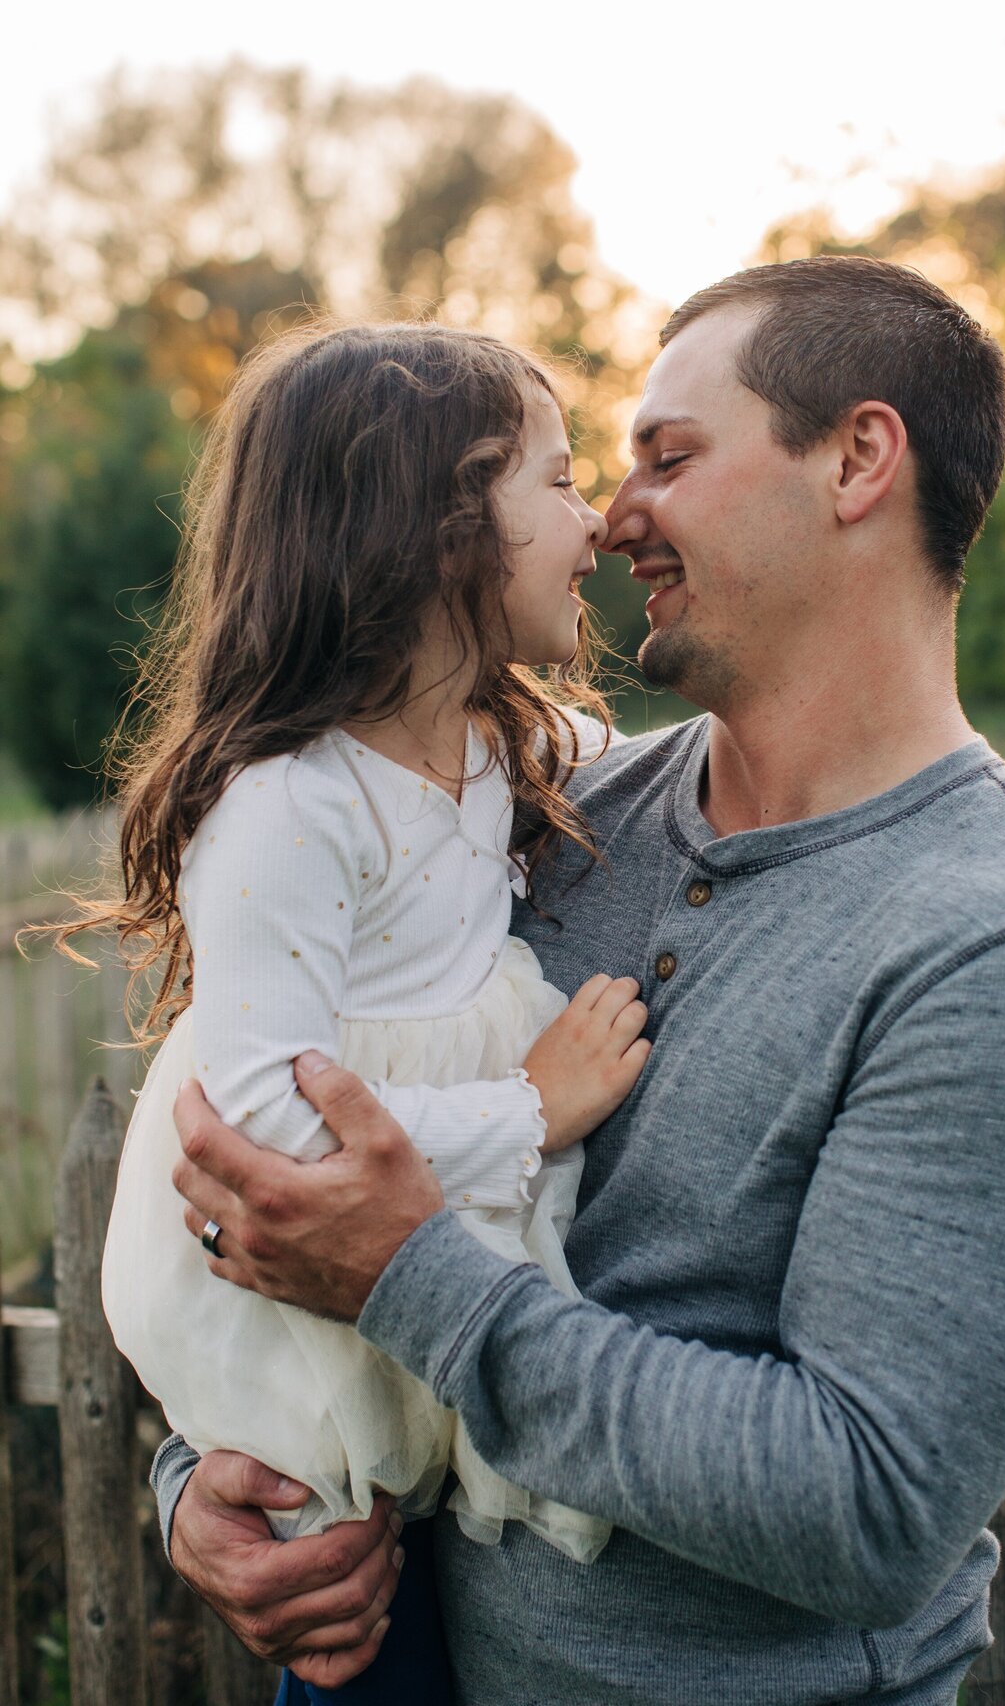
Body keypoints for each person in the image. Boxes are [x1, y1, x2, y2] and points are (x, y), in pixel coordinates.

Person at [156, 258, 1005, 1706]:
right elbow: (274, 1151)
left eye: (668, 458)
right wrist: (207, 1484)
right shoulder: (540, 821)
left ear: (859, 461)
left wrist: (408, 1278)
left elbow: (868, 1506)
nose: (615, 513)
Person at [68, 321, 654, 1696]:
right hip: (316, 1274)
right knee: (348, 1602)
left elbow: (701, 758)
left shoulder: (507, 740)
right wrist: (526, 1110)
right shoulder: (287, 802)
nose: (602, 521)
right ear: (443, 527)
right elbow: (273, 1112)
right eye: (562, 484)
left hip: (434, 1222)